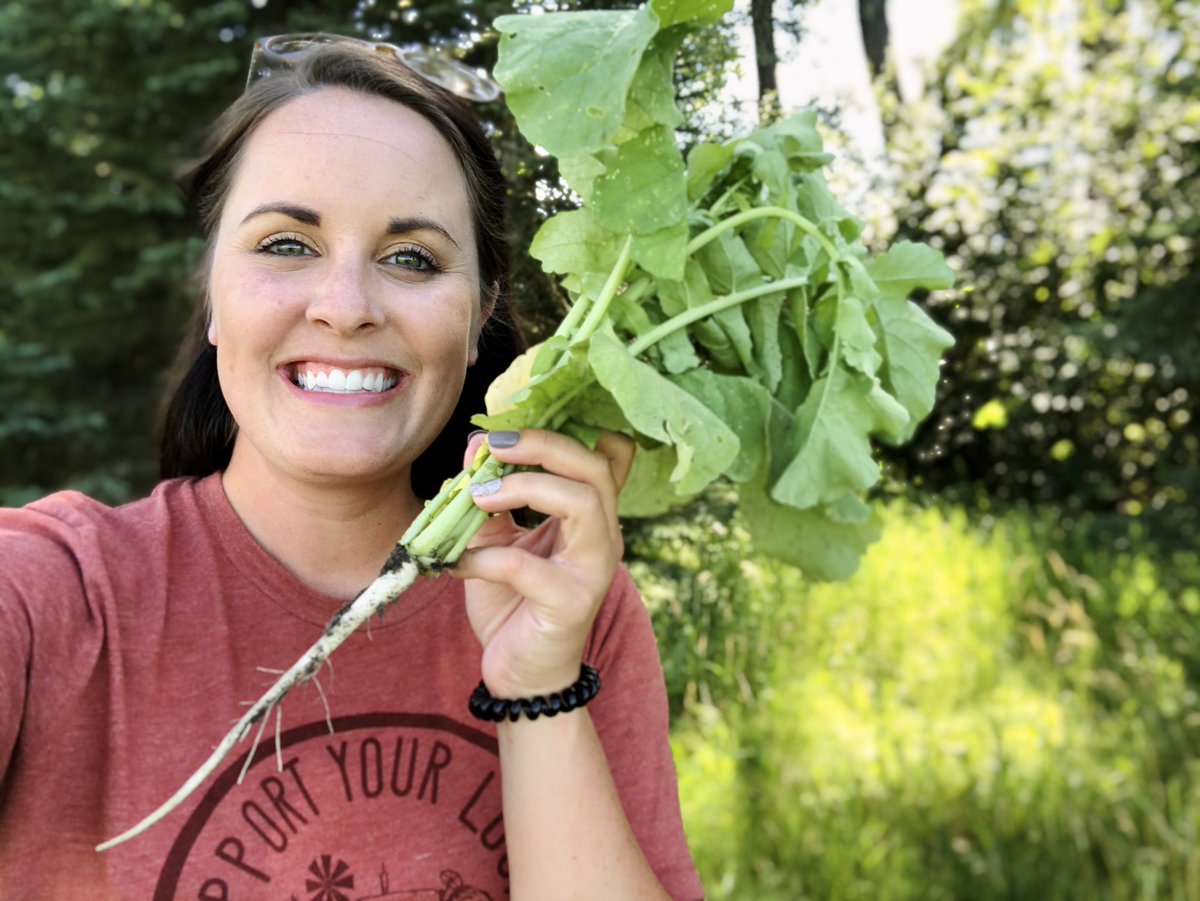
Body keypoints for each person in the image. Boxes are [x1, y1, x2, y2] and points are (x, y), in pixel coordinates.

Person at [0, 35, 704, 899]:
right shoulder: (51, 589)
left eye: (412, 258)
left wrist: (539, 689)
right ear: (214, 293)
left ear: (480, 314)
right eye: (287, 244)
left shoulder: (561, 598)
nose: (345, 308)